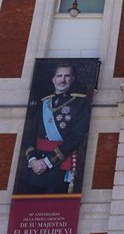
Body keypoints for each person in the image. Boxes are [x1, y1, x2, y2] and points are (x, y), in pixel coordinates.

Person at [19, 63, 91, 194]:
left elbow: (75, 138)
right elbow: (30, 134)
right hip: (35, 168)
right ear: (53, 79)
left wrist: (47, 162)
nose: (63, 80)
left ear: (72, 79)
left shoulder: (79, 103)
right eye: (59, 76)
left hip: (58, 167)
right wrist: (32, 160)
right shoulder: (43, 103)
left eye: (67, 76)